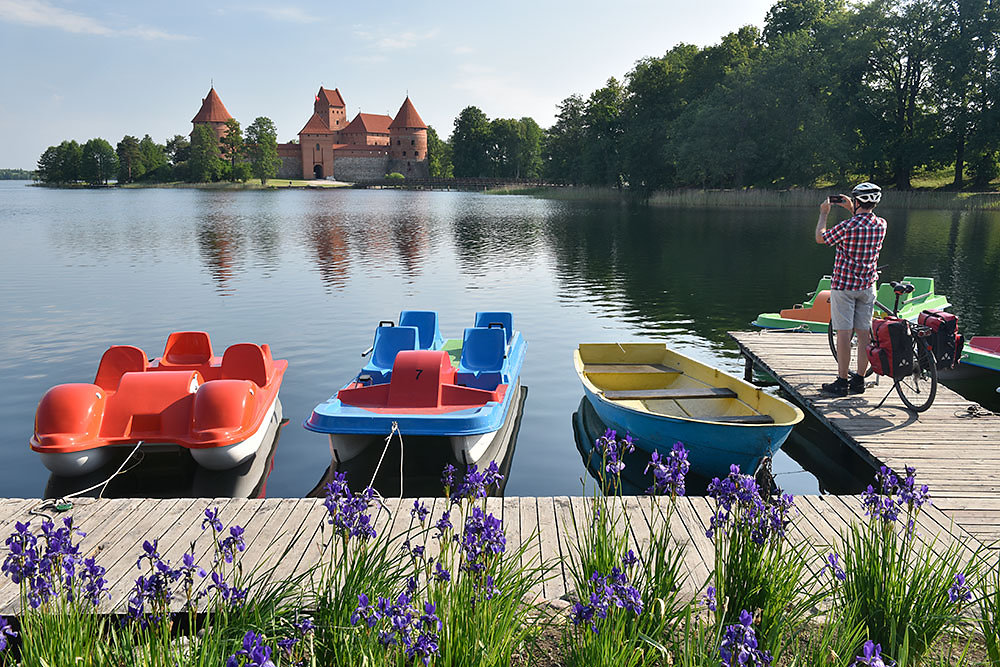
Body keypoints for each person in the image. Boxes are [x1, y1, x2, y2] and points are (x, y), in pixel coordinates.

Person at [814, 182, 886, 396]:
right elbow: (864, 219)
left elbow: (821, 237)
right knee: (864, 334)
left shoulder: (848, 227)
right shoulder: (881, 224)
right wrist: (850, 207)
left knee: (844, 334)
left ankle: (842, 382)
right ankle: (859, 381)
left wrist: (824, 214)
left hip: (844, 286)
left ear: (857, 201)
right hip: (867, 286)